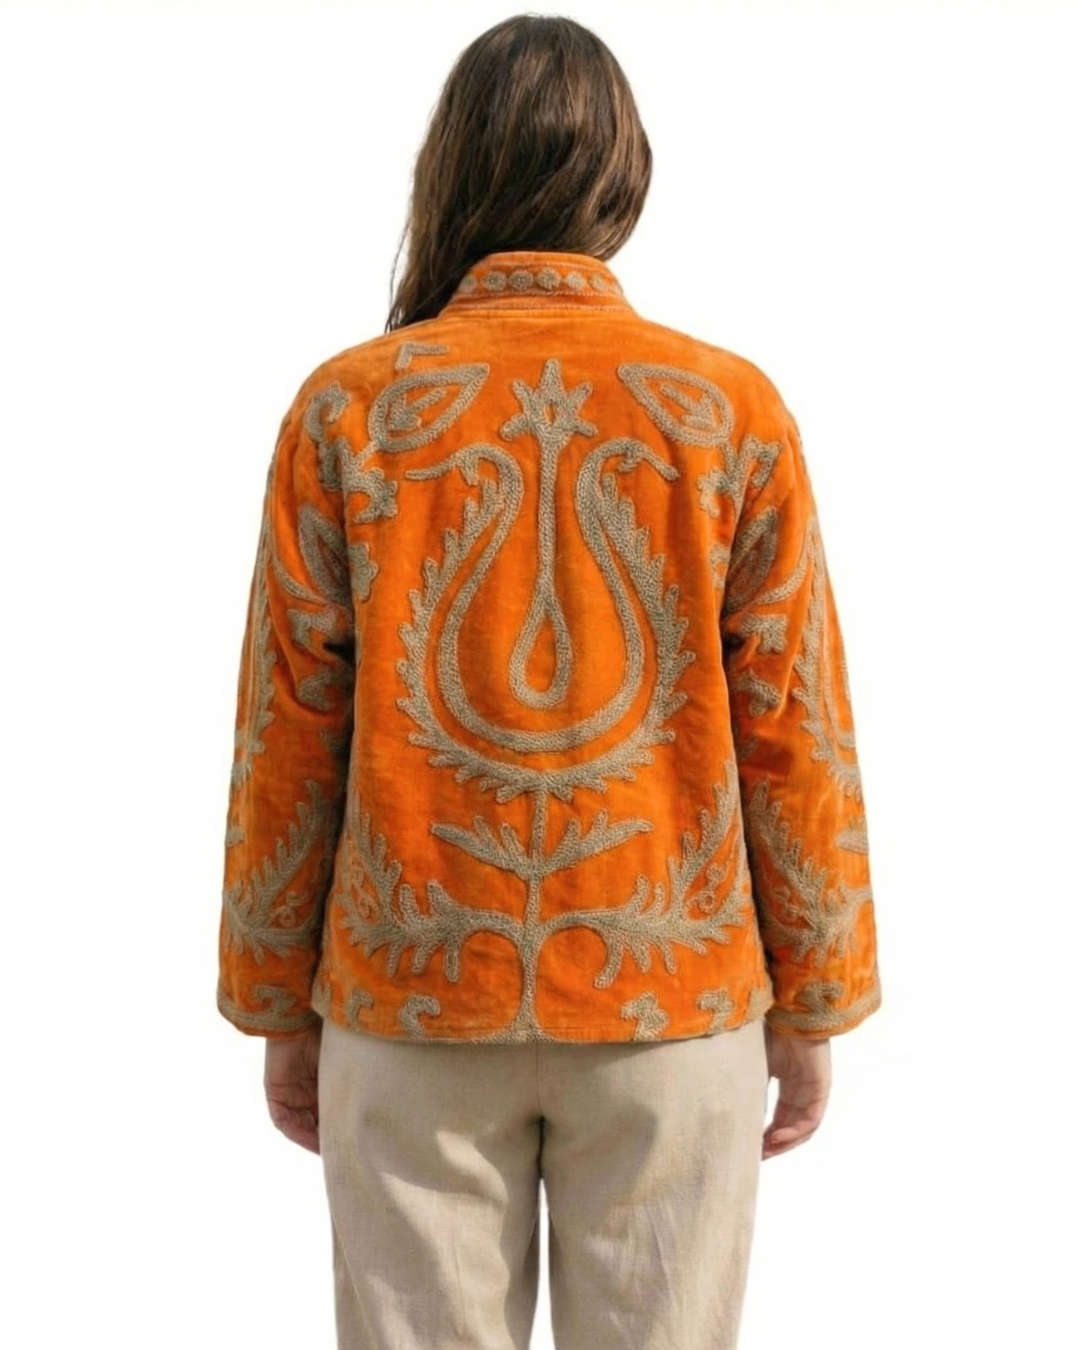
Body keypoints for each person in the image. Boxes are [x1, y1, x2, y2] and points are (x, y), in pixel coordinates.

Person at [216, 13, 882, 1349]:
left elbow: (288, 723)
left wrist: (275, 998)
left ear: (452, 171)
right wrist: (817, 996)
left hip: (410, 991)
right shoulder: (726, 410)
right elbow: (794, 723)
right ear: (623, 177)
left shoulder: (350, 408)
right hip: (669, 996)